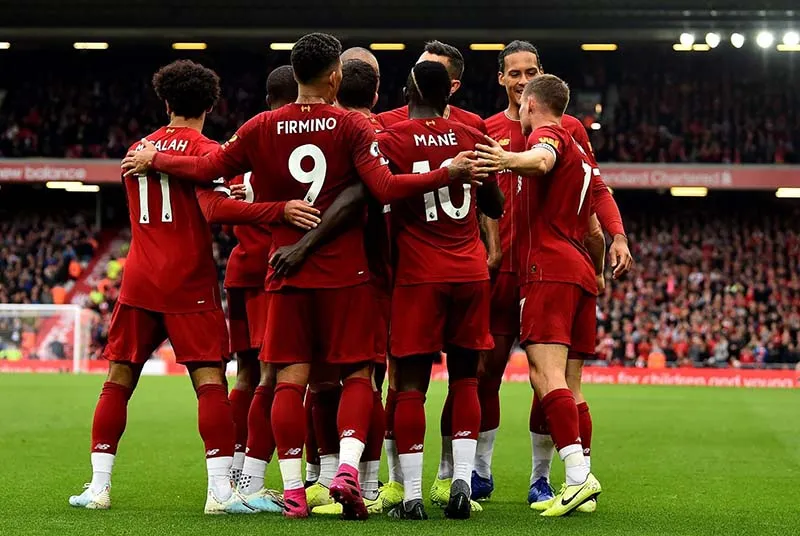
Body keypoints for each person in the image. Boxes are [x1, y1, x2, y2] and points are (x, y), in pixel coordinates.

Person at [121, 32, 480, 519]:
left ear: (295, 73)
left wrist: (155, 157)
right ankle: (350, 472)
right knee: (358, 373)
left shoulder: (259, 127)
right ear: (334, 75)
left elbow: (208, 169)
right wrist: (448, 172)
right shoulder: (351, 127)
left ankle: (293, 490)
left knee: (288, 379)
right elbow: (386, 188)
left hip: (285, 270)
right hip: (347, 274)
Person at [69, 60, 318, 514]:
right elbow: (213, 211)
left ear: (165, 102)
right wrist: (274, 209)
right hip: (189, 284)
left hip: (140, 279)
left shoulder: (137, 149)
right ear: (210, 104)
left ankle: (98, 487)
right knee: (209, 385)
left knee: (117, 381)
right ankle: (220, 492)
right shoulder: (209, 152)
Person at [476, 41, 633, 511]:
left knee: (547, 380)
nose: (522, 79)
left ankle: (551, 478)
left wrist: (615, 235)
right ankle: (478, 472)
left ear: (537, 82)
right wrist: (493, 246)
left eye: (530, 72)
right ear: (502, 79)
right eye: (514, 73)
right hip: (508, 269)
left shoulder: (563, 130)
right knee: (493, 373)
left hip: (544, 269)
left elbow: (582, 180)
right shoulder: (487, 129)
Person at [376, 39, 500, 509]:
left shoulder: (390, 139)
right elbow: (495, 204)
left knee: (409, 385)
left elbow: (379, 194)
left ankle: (408, 494)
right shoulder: (470, 135)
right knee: (466, 380)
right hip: (470, 271)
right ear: (448, 94)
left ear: (408, 89)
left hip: (418, 274)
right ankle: (462, 480)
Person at [306, 57, 392, 516]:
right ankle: (370, 481)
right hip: (377, 273)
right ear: (377, 93)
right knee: (368, 379)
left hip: (318, 269)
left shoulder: (323, 131)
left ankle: (320, 477)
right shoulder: (390, 132)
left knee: (316, 380)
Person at [226, 64, 299, 514]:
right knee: (279, 377)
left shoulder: (243, 138)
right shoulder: (287, 139)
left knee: (248, 374)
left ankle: (232, 472)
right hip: (275, 271)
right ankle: (251, 480)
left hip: (240, 269)